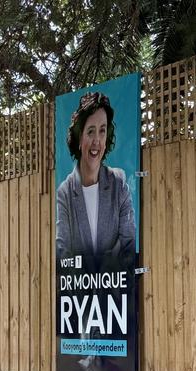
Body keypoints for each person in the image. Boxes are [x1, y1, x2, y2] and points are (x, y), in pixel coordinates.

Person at [56, 92, 135, 267]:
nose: (97, 141)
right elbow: (63, 253)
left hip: (114, 289)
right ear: (79, 136)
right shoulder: (65, 193)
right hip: (77, 290)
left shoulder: (119, 182)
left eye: (102, 131)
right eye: (91, 131)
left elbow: (128, 242)